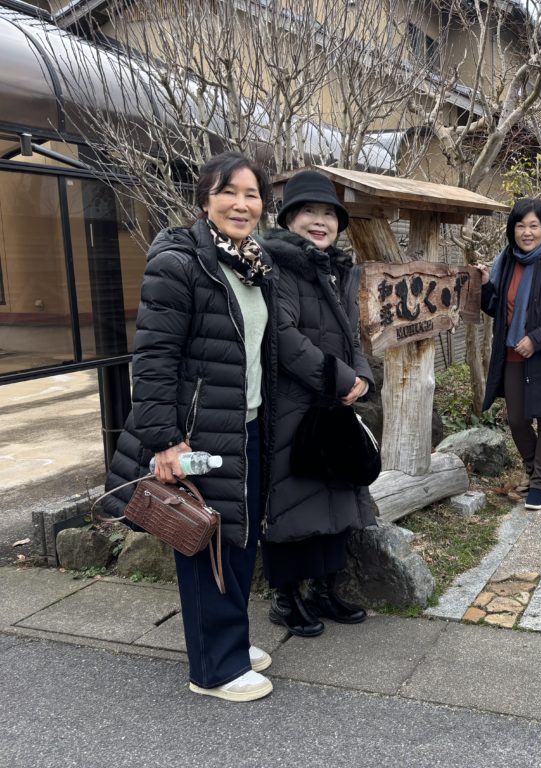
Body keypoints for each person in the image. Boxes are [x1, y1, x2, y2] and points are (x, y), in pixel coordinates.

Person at [103, 151, 278, 702]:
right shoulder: (180, 261)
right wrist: (165, 442)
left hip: (246, 423)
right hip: (198, 433)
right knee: (205, 542)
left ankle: (229, 639)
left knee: (238, 537)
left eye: (252, 194)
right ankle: (214, 669)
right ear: (205, 198)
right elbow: (154, 359)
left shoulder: (253, 264)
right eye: (229, 192)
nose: (241, 204)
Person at [257, 170, 375, 637]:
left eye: (329, 213)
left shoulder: (335, 268)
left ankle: (324, 589)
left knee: (334, 493)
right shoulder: (277, 265)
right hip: (293, 405)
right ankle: (285, 598)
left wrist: (362, 377)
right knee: (292, 498)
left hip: (331, 404)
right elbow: (281, 335)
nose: (320, 221)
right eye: (309, 211)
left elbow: (352, 334)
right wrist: (340, 379)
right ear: (289, 219)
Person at [478, 198, 541, 512]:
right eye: (520, 225)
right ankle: (532, 467)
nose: (527, 232)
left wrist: (536, 340)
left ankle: (539, 484)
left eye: (533, 226)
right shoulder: (507, 262)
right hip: (512, 353)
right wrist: (486, 285)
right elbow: (497, 309)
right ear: (512, 229)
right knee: (516, 418)